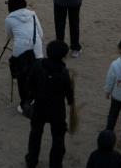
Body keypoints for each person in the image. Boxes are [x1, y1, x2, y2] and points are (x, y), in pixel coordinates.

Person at [25, 40, 75, 168]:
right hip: (57, 110)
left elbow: (30, 83)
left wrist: (32, 96)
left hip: (39, 107)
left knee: (35, 135)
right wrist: (71, 102)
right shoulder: (63, 73)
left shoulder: (38, 66)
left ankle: (31, 161)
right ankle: (55, 164)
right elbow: (68, 92)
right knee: (58, 139)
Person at [7, 0, 46, 110]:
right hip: (36, 50)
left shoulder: (9, 19)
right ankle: (35, 99)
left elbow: (10, 36)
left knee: (22, 78)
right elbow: (41, 34)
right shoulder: (33, 14)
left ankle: (24, 103)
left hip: (21, 52)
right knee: (36, 75)